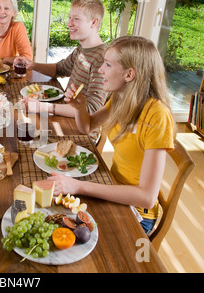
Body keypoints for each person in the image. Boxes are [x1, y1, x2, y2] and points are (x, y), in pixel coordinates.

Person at [49, 36, 175, 234]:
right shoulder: (120, 98)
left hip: (136, 213)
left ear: (129, 74)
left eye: (107, 65)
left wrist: (80, 187)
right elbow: (87, 127)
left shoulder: (157, 116)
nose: (100, 70)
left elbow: (147, 197)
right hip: (112, 187)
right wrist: (80, 107)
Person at [17, 0, 108, 117]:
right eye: (70, 17)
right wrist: (32, 65)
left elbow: (92, 109)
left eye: (76, 19)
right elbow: (61, 69)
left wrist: (43, 107)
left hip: (80, 130)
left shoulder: (102, 59)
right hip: (67, 114)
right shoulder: (82, 49)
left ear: (94, 22)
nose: (69, 23)